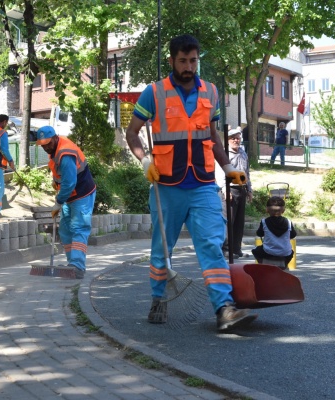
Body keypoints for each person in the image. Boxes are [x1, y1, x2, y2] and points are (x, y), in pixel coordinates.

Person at [124, 34, 257, 331]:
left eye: (193, 60)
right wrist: (145, 161)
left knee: (212, 246)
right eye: (182, 61)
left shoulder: (210, 92)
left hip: (202, 184)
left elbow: (213, 136)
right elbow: (131, 133)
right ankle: (158, 299)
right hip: (167, 187)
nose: (188, 66)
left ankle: (224, 308)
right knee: (162, 249)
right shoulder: (153, 93)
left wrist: (227, 167)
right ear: (171, 60)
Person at [36, 126, 97, 279]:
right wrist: (56, 184)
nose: (45, 147)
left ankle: (77, 266)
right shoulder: (54, 150)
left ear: (55, 138)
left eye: (47, 143)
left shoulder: (65, 153)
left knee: (79, 228)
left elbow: (69, 182)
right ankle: (71, 265)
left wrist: (58, 202)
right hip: (70, 196)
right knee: (64, 229)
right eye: (42, 145)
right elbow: (61, 176)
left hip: (82, 194)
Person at [222, 128, 253, 259]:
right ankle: (226, 249)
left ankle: (237, 249)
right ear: (228, 140)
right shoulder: (224, 154)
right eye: (233, 138)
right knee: (230, 220)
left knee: (239, 221)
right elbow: (220, 172)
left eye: (238, 138)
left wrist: (249, 189)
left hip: (242, 188)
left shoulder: (243, 153)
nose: (236, 140)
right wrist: (225, 189)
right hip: (231, 189)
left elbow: (247, 172)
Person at [252, 196, 297, 269]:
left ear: (267, 210)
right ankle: (285, 265)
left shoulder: (264, 222)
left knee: (256, 251)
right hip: (285, 253)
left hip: (268, 252)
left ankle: (263, 265)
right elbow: (293, 235)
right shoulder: (288, 222)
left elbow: (259, 234)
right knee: (291, 252)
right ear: (283, 210)